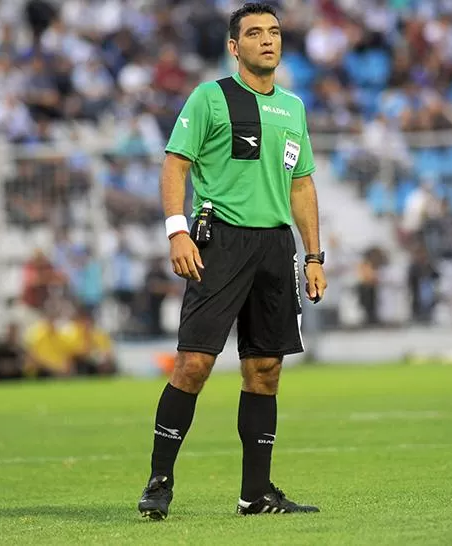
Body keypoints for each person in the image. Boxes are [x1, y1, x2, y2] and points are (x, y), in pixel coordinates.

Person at [138, 2, 327, 520]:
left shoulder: (293, 107)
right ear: (233, 46)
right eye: (255, 33)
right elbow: (176, 163)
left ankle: (256, 494)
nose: (268, 40)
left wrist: (313, 254)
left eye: (274, 31)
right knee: (194, 363)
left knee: (265, 370)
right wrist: (177, 231)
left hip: (274, 247)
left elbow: (303, 184)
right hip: (218, 242)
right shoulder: (210, 97)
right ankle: (159, 481)